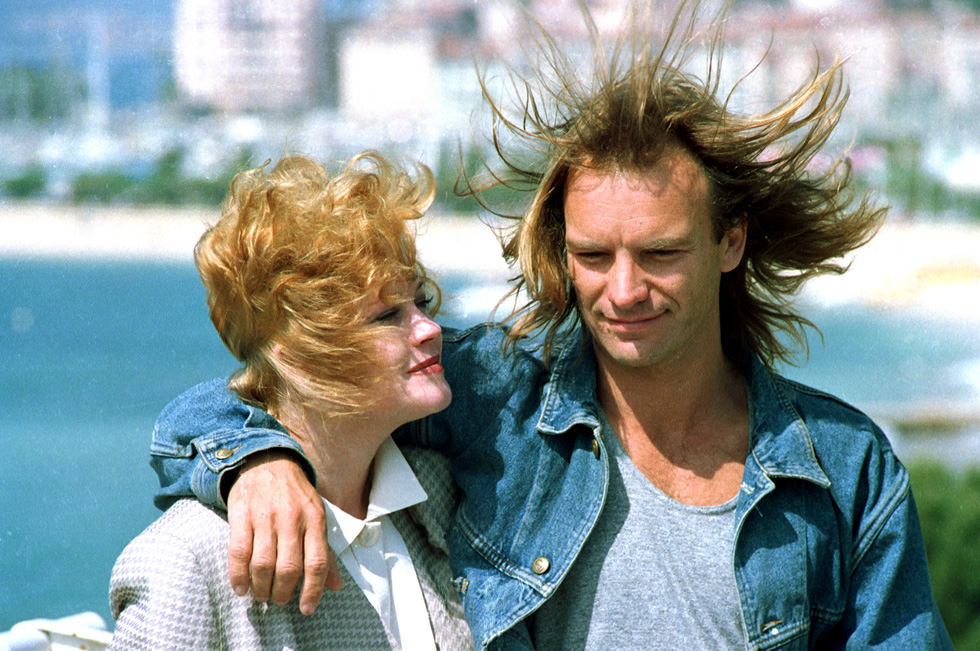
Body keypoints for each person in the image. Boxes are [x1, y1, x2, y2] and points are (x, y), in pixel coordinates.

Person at [147, 5, 952, 650]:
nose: (624, 291)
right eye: (594, 255)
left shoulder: (846, 470)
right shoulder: (498, 402)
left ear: (730, 241)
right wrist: (260, 461)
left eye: (661, 253)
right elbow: (267, 388)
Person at [109, 153, 473, 650]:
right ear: (295, 354)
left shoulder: (444, 496)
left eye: (421, 302)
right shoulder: (189, 557)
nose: (430, 328)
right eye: (387, 315)